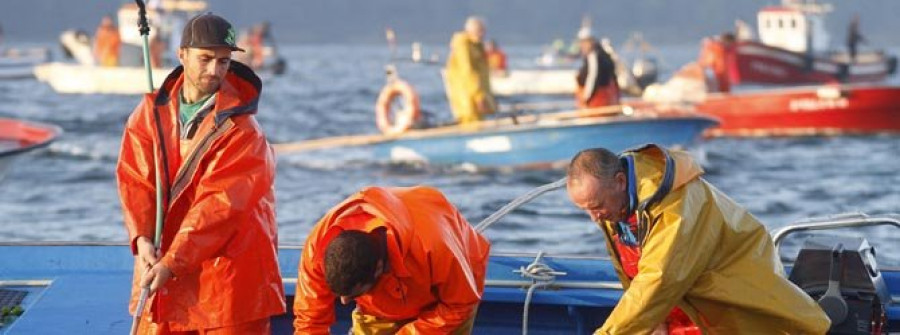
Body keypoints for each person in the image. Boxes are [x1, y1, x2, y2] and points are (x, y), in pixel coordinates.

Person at [117, 13, 285, 334]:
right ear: (181, 55)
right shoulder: (149, 112)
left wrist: (171, 262)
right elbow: (136, 179)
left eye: (223, 61)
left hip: (229, 280)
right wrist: (140, 238)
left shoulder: (245, 131)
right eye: (205, 59)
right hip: (163, 269)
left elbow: (219, 208)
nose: (214, 70)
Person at [565, 144, 831, 334]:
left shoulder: (674, 207)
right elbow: (636, 278)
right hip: (687, 312)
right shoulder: (615, 207)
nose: (594, 218)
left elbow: (658, 279)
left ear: (620, 181)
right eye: (585, 209)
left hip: (735, 305)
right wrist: (655, 323)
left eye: (596, 206)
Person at [293, 186, 490, 334]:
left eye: (354, 295)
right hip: (380, 306)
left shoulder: (437, 245)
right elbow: (310, 321)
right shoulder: (316, 250)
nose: (344, 302)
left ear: (379, 268)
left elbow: (459, 305)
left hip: (448, 299)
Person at [444, 16, 497, 126]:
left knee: (479, 121)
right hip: (466, 96)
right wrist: (479, 96)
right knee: (470, 121)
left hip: (478, 96)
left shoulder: (478, 45)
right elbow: (467, 71)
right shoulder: (463, 44)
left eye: (483, 31)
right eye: (480, 31)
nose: (482, 34)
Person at [575, 28, 619, 108]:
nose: (582, 46)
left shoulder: (594, 56)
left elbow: (593, 77)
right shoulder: (604, 56)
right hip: (605, 101)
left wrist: (587, 99)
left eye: (584, 42)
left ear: (592, 42)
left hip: (597, 102)